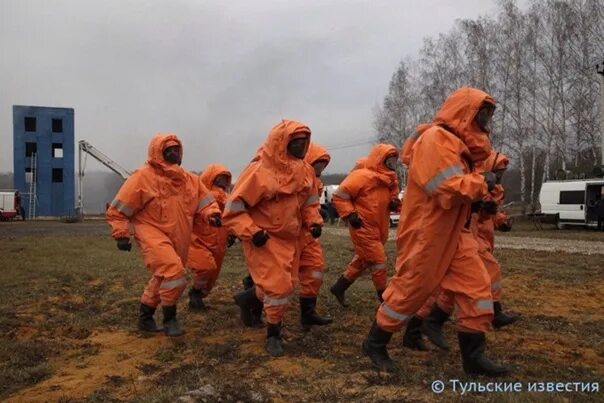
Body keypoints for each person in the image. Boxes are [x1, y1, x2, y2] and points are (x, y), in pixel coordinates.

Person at [362, 87, 510, 377]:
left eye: (488, 115)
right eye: (482, 114)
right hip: (427, 232)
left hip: (456, 231)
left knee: (476, 287)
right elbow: (445, 188)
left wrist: (482, 190)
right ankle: (375, 342)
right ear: (465, 112)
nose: (485, 121)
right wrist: (482, 182)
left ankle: (474, 357)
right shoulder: (435, 140)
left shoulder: (460, 148)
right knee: (412, 290)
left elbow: (460, 189)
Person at [223, 119, 323, 356]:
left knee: (288, 284)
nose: (301, 148)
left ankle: (249, 299)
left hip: (293, 237)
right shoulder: (259, 171)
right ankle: (273, 334)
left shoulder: (304, 170)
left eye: (303, 143)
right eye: (295, 143)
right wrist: (253, 232)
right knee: (279, 288)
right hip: (265, 237)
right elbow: (234, 210)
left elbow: (309, 202)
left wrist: (314, 221)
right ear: (282, 143)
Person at [106, 133, 221, 337]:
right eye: (169, 150)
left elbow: (207, 202)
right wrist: (121, 234)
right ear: (158, 153)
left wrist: (212, 214)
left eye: (177, 150)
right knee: (173, 272)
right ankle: (170, 318)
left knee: (164, 276)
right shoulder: (142, 177)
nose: (174, 154)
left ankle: (145, 315)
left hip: (180, 236)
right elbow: (118, 209)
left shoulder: (191, 180)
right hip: (151, 232)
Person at [414, 151, 519, 352]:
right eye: (497, 171)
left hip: (472, 236)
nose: (499, 176)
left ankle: (424, 326)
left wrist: (498, 219)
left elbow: (485, 215)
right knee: (477, 278)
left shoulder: (488, 185)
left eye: (502, 173)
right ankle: (417, 327)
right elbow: (454, 202)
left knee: (453, 288)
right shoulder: (464, 177)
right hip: (462, 236)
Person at [329, 144, 400, 307]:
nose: (392, 165)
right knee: (378, 261)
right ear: (380, 159)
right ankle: (385, 299)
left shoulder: (390, 179)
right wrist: (350, 214)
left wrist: (395, 201)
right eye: (389, 161)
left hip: (380, 227)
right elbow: (339, 196)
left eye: (394, 162)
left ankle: (339, 287)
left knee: (363, 260)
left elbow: (393, 194)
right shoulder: (361, 176)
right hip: (362, 226)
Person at [186, 164, 235, 310]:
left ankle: (198, 296)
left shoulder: (228, 198)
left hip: (219, 242)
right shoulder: (200, 195)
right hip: (198, 240)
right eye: (219, 178)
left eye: (225, 179)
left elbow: (230, 218)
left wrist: (231, 234)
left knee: (212, 274)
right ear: (210, 177)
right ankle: (195, 292)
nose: (223, 182)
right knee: (205, 267)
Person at [298, 142, 332, 328]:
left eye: (323, 165)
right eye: (317, 164)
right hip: (289, 234)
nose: (320, 168)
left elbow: (310, 206)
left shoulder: (316, 182)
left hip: (308, 233)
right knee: (280, 280)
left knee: (315, 269)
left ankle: (308, 314)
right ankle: (249, 300)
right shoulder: (295, 178)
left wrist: (318, 216)